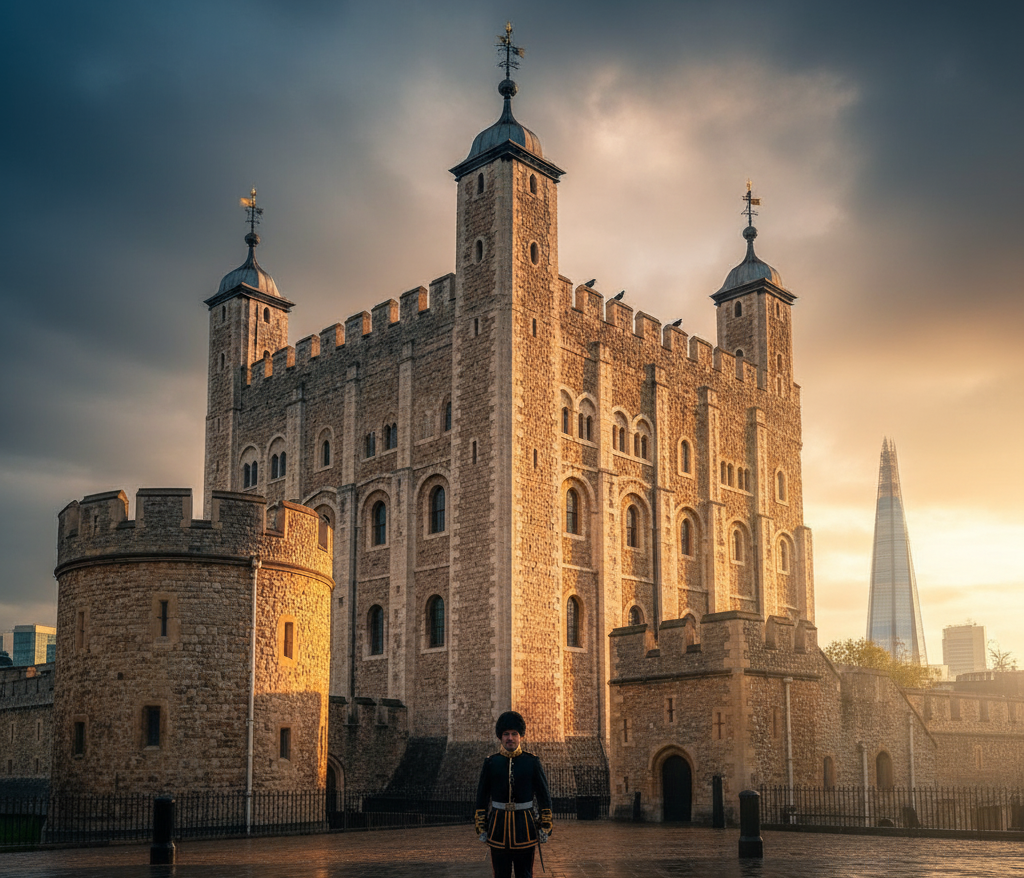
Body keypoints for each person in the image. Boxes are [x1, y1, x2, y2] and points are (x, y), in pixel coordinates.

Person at [474, 710, 553, 878]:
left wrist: (545, 824)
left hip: (525, 828)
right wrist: (481, 825)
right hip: (498, 828)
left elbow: (543, 796)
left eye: (514, 734)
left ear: (520, 736)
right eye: (506, 734)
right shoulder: (491, 762)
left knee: (524, 874)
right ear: (500, 737)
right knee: (500, 874)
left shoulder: (531, 761)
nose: (510, 738)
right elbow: (482, 796)